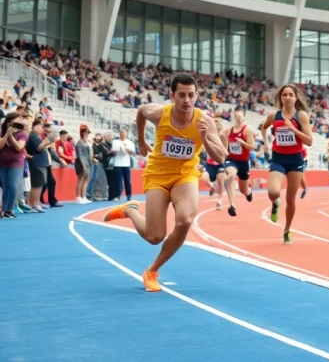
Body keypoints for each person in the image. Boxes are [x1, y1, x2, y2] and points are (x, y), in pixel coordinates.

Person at [103, 73, 228, 292]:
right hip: (158, 175)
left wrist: (205, 138)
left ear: (196, 95)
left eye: (191, 95)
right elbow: (141, 111)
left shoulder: (204, 121)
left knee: (185, 220)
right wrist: (141, 140)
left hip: (185, 175)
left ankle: (152, 270)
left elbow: (220, 157)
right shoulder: (160, 113)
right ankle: (131, 210)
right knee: (155, 237)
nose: (187, 100)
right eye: (181, 95)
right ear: (172, 95)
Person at [261, 84, 313, 243]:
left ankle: (287, 230)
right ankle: (275, 203)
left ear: (296, 97)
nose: (288, 97)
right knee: (273, 192)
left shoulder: (301, 116)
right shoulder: (274, 116)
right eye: (285, 95)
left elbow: (309, 141)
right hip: (278, 158)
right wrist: (265, 144)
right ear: (281, 98)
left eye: (291, 94)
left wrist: (293, 129)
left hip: (295, 160)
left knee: (291, 199)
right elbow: (264, 128)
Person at [222, 107, 256, 211]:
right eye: (235, 115)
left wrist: (242, 142)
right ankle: (232, 205)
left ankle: (248, 192)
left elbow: (252, 147)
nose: (237, 118)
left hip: (243, 162)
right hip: (231, 159)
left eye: (239, 116)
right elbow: (220, 135)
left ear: (244, 117)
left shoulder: (247, 130)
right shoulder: (228, 130)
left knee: (243, 190)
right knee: (231, 175)